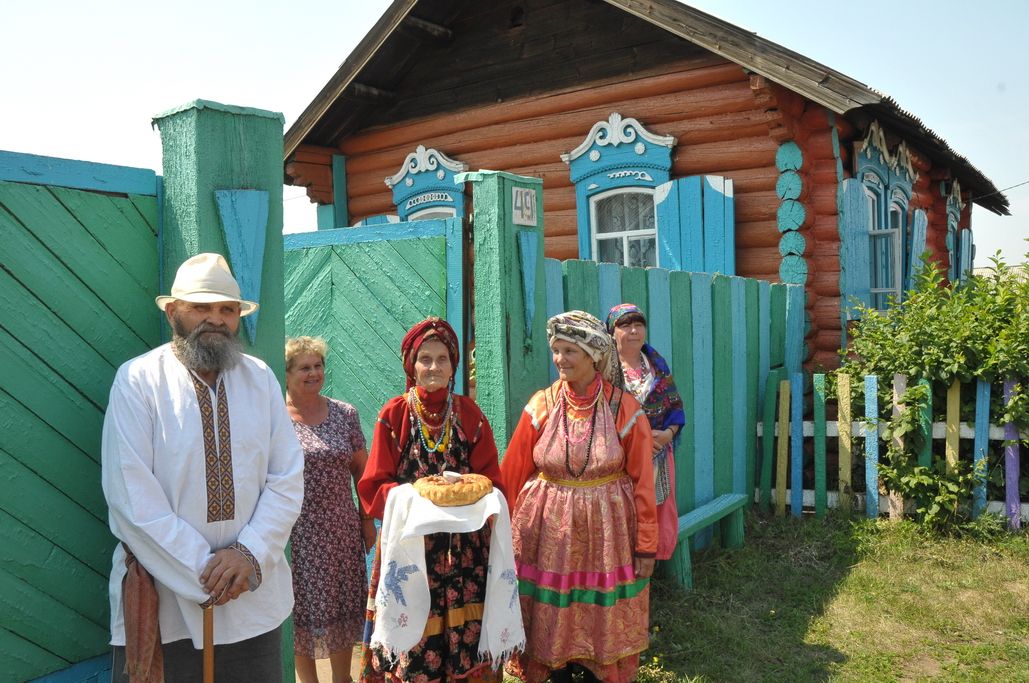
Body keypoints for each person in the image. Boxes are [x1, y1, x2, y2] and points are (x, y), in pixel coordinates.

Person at [101, 252, 304, 681]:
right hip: (165, 600)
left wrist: (247, 554)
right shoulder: (138, 380)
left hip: (252, 599)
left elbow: (286, 478)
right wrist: (206, 573)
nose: (216, 319)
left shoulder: (261, 377)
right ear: (173, 311)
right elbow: (131, 499)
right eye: (201, 307)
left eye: (227, 309)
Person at [501, 311, 656, 683]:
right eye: (556, 351)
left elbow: (643, 483)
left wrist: (646, 545)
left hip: (607, 536)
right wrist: (495, 531)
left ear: (594, 355)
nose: (560, 360)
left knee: (598, 623)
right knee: (551, 620)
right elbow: (513, 470)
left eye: (570, 351)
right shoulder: (542, 404)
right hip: (547, 537)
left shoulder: (625, 410)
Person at [357, 317, 507, 683]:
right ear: (412, 364)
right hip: (410, 548)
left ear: (454, 365)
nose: (434, 367)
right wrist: (416, 498)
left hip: (465, 551)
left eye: (443, 359)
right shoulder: (394, 416)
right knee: (412, 644)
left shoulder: (470, 415)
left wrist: (474, 498)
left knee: (466, 641)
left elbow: (493, 482)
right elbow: (373, 486)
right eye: (426, 358)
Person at [286, 336, 376, 683]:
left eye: (318, 365)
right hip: (295, 531)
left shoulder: (344, 413)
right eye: (305, 367)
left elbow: (362, 472)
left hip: (339, 529)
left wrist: (367, 521)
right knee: (300, 607)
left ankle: (343, 679)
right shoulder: (275, 417)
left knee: (341, 606)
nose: (314, 373)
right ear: (288, 373)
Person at [607, 303, 685, 561]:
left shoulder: (656, 364)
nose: (633, 330)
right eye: (625, 325)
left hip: (659, 453)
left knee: (656, 509)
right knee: (624, 512)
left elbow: (674, 404)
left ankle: (652, 564)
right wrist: (636, 439)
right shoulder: (605, 370)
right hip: (620, 457)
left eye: (638, 324)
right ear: (612, 332)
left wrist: (669, 434)